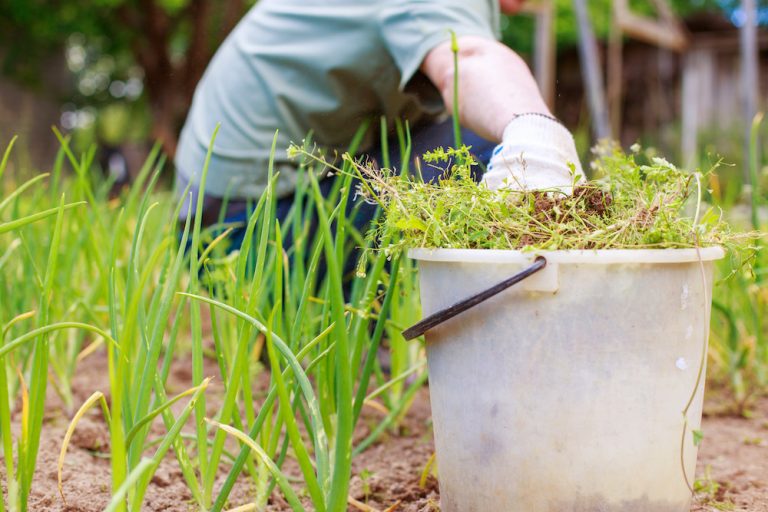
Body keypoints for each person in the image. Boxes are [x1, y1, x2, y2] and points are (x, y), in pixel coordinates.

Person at [175, 0, 583, 245]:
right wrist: (536, 139)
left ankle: (383, 325)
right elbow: (467, 59)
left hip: (222, 218)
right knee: (481, 148)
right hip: (245, 232)